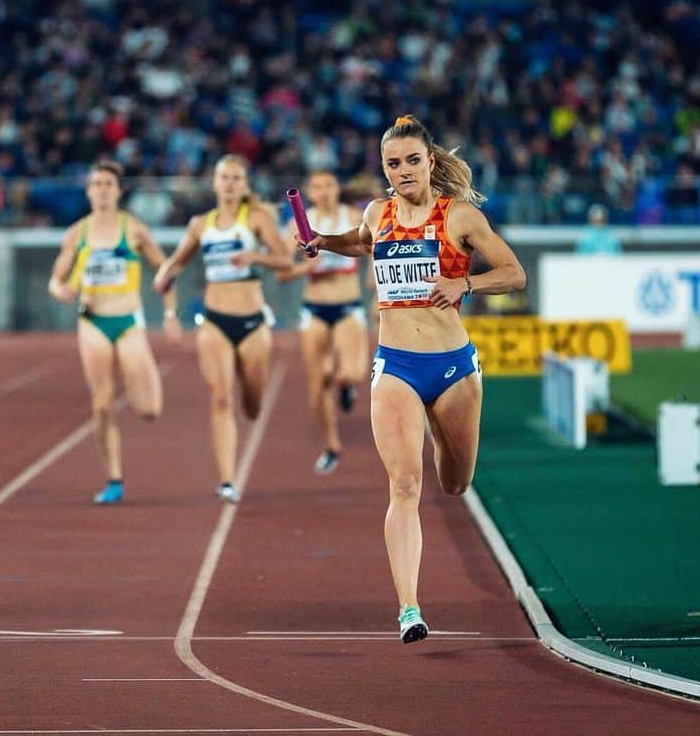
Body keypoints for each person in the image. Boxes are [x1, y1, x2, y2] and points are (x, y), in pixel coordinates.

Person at [298, 116, 526, 643]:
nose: (403, 171)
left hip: (452, 369)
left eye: (411, 161)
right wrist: (321, 243)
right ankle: (409, 609)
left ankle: (446, 444)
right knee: (404, 486)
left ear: (429, 162)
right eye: (392, 164)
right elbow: (360, 242)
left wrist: (464, 282)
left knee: (455, 482)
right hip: (396, 365)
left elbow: (514, 273)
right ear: (384, 170)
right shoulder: (377, 213)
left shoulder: (459, 218)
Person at [153, 154, 291, 503]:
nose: (229, 183)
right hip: (214, 319)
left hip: (252, 321)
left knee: (253, 404)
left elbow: (284, 260)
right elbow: (179, 260)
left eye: (235, 178)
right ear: (214, 183)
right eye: (223, 177)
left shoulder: (256, 218)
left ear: (244, 184)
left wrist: (255, 257)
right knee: (220, 397)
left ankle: (252, 402)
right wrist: (164, 274)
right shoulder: (201, 224)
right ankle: (227, 479)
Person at [48, 160, 180, 504]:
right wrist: (58, 289)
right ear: (89, 190)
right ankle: (114, 478)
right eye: (97, 184)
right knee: (102, 403)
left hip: (128, 322)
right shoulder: (77, 233)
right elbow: (57, 277)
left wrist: (169, 312)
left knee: (149, 409)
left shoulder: (133, 229)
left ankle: (142, 394)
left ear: (119, 191)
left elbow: (165, 269)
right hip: (92, 321)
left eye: (109, 183)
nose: (103, 189)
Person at [276, 170, 368, 475]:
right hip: (314, 309)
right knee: (318, 383)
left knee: (351, 372)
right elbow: (282, 273)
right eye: (317, 187)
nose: (324, 191)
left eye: (329, 184)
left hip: (348, 306)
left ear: (337, 188)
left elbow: (374, 249)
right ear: (309, 193)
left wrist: (377, 287)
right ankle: (331, 446)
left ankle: (346, 387)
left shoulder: (354, 215)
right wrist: (307, 268)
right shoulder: (297, 224)